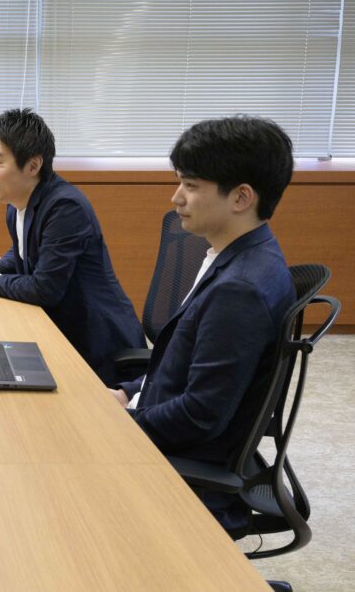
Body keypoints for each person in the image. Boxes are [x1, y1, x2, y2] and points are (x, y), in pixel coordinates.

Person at [110, 116, 295, 532]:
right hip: (165, 423)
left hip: (187, 468)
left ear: (241, 197)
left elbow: (200, 414)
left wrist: (118, 424)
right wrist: (128, 393)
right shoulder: (236, 254)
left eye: (191, 186)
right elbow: (185, 366)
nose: (176, 198)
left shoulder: (240, 290)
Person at [0, 108, 145, 385]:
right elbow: (23, 253)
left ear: (33, 166)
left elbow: (45, 289)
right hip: (60, 331)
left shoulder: (64, 207)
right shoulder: (17, 204)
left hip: (96, 347)